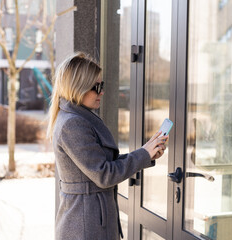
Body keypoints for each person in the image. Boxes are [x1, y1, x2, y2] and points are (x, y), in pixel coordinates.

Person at [47, 52, 168, 240]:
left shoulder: (78, 116)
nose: (102, 91)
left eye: (102, 85)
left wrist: (146, 153)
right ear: (79, 86)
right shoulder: (73, 124)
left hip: (90, 218)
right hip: (86, 225)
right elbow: (104, 174)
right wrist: (143, 154)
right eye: (97, 86)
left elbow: (103, 164)